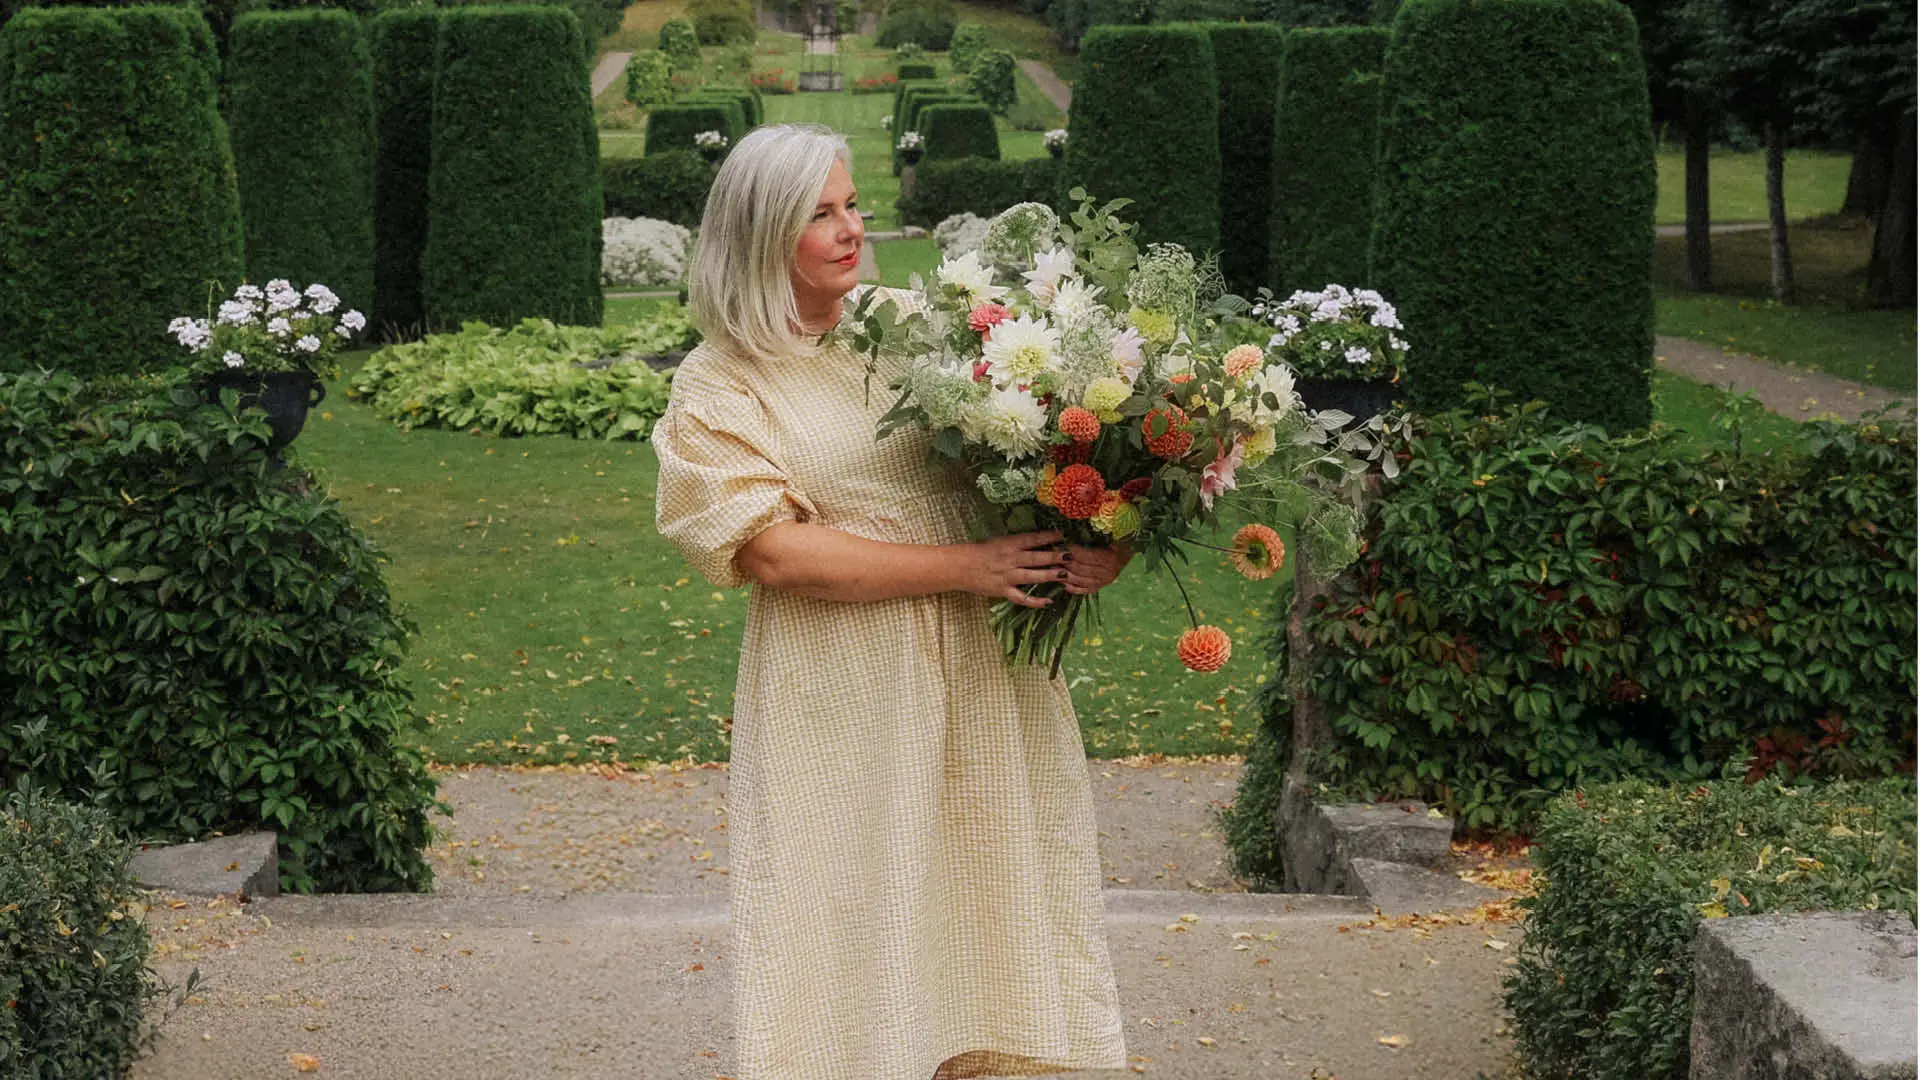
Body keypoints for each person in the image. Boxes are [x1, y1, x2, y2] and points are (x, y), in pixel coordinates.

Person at [652, 122, 1134, 1079]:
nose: (851, 231)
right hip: (843, 693)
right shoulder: (719, 381)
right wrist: (969, 569)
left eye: (852, 206)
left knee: (999, 892)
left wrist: (1097, 538)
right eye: (819, 214)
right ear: (757, 234)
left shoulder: (921, 325)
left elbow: (1041, 455)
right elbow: (775, 554)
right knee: (848, 907)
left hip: (990, 672)